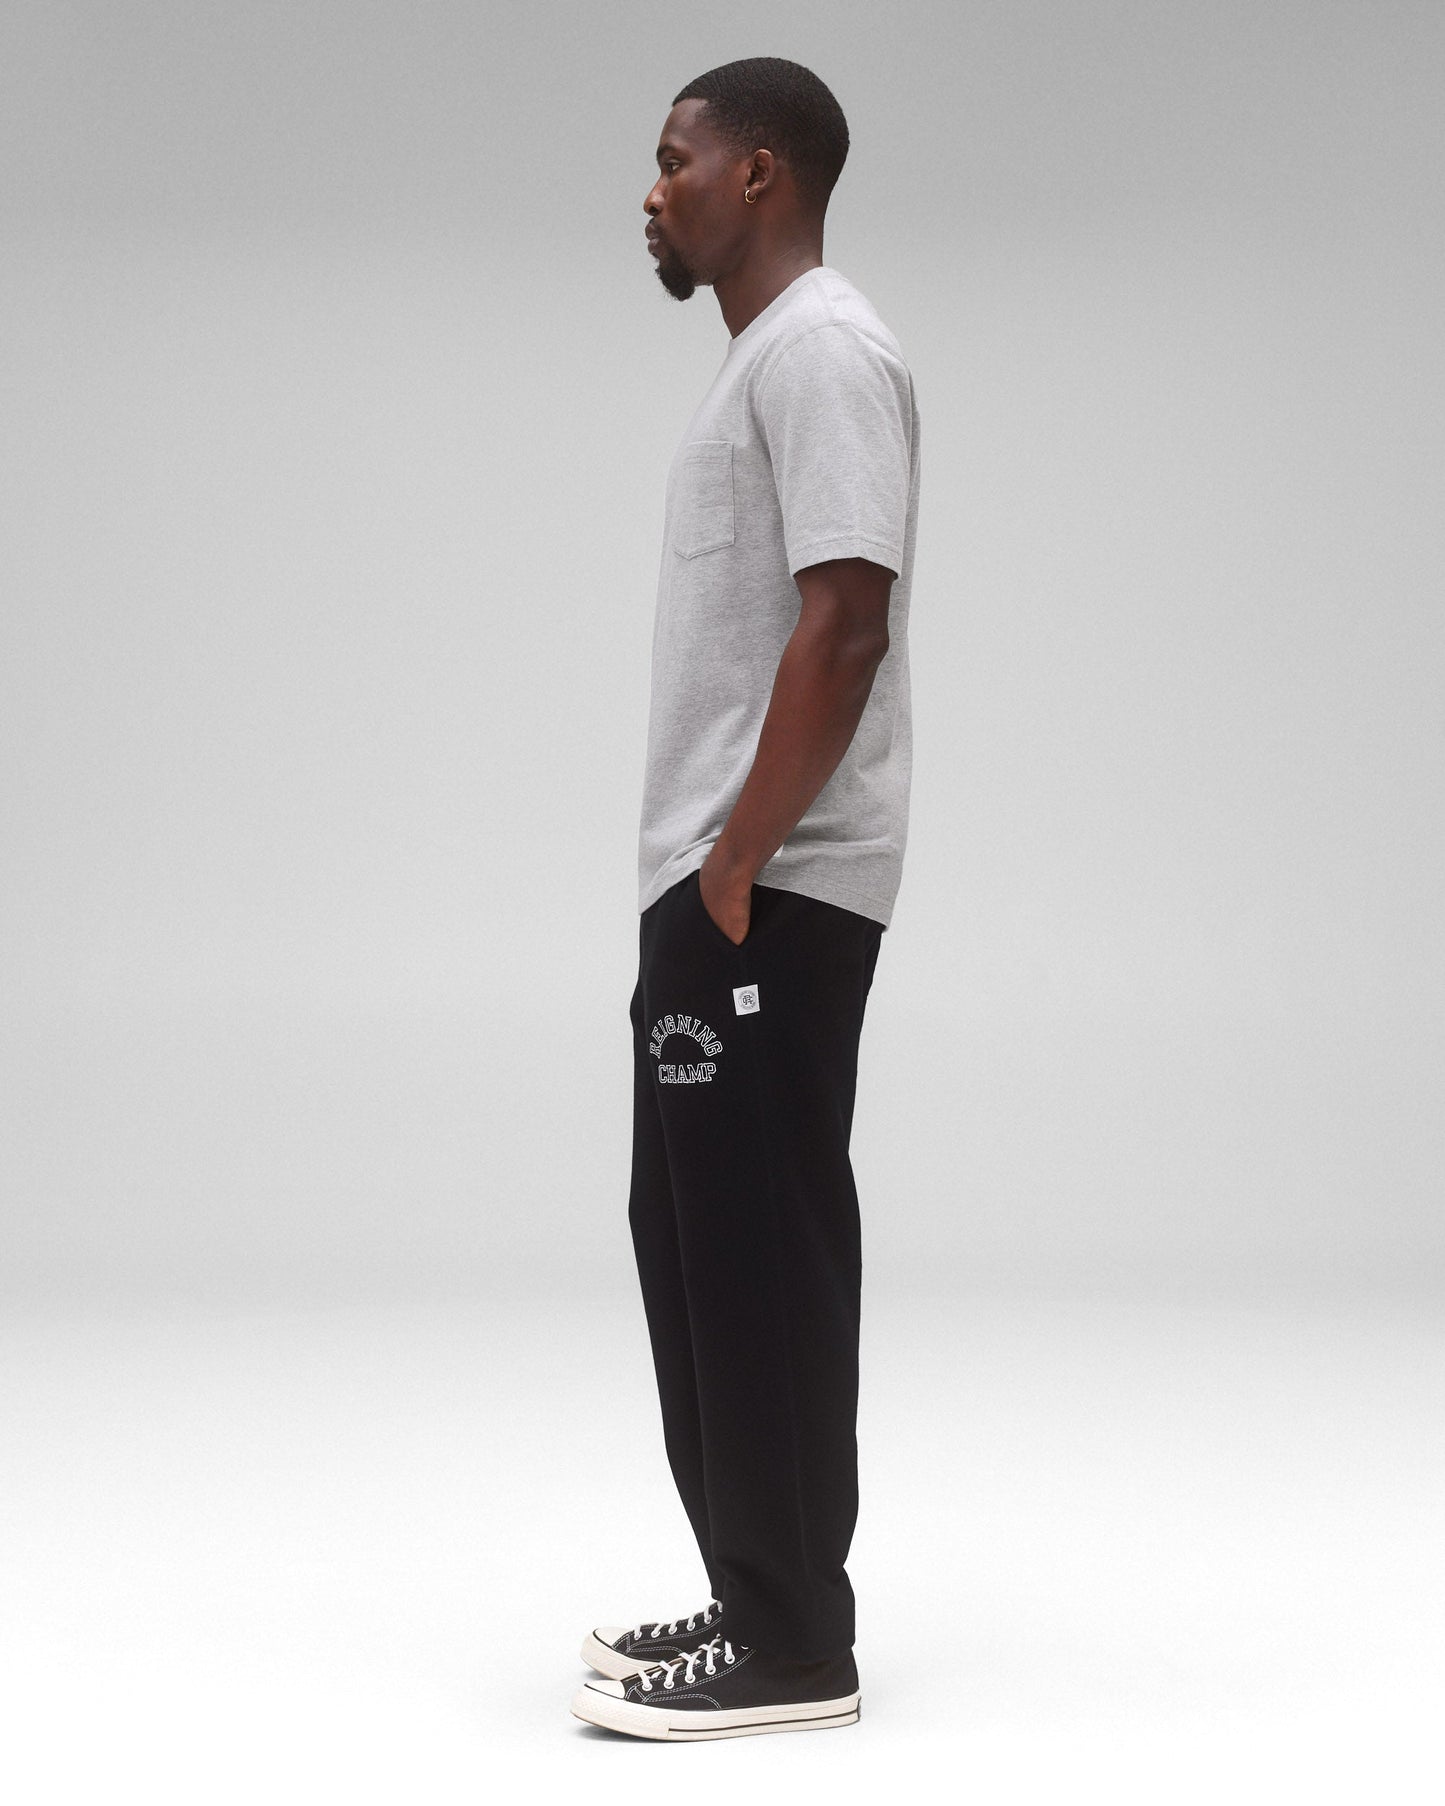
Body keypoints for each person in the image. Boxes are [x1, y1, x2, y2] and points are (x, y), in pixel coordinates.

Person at [570, 55, 922, 1742]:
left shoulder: (823, 350)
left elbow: (842, 622)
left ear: (760, 172)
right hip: (718, 890)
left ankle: (794, 1648)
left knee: (759, 1250)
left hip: (766, 888)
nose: (654, 192)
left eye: (675, 160)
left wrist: (730, 863)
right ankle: (754, 1591)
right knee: (694, 1240)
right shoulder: (762, 364)